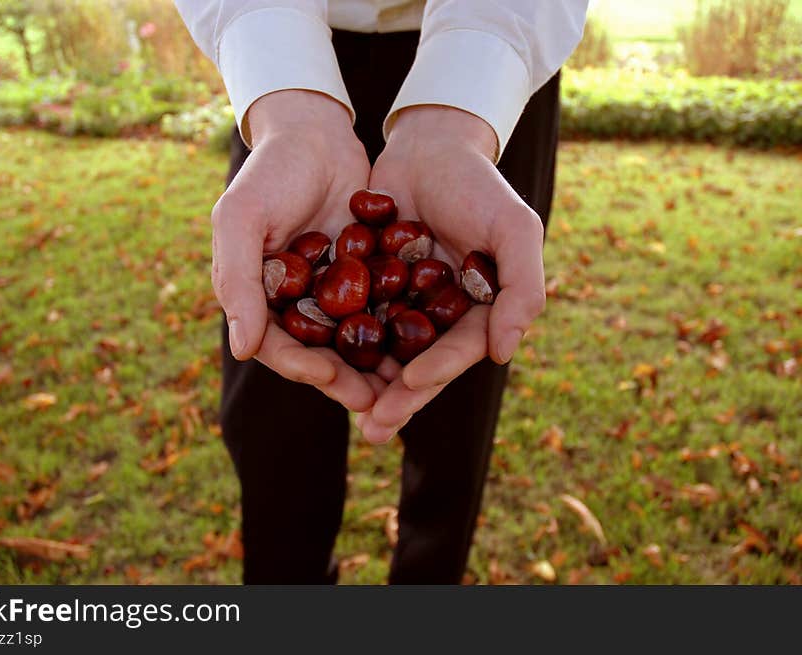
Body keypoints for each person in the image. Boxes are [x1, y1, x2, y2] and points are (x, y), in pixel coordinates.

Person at [175, 0, 588, 583]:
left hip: (490, 62)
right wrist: (285, 104)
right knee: (273, 422)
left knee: (456, 408)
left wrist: (466, 103)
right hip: (287, 71)